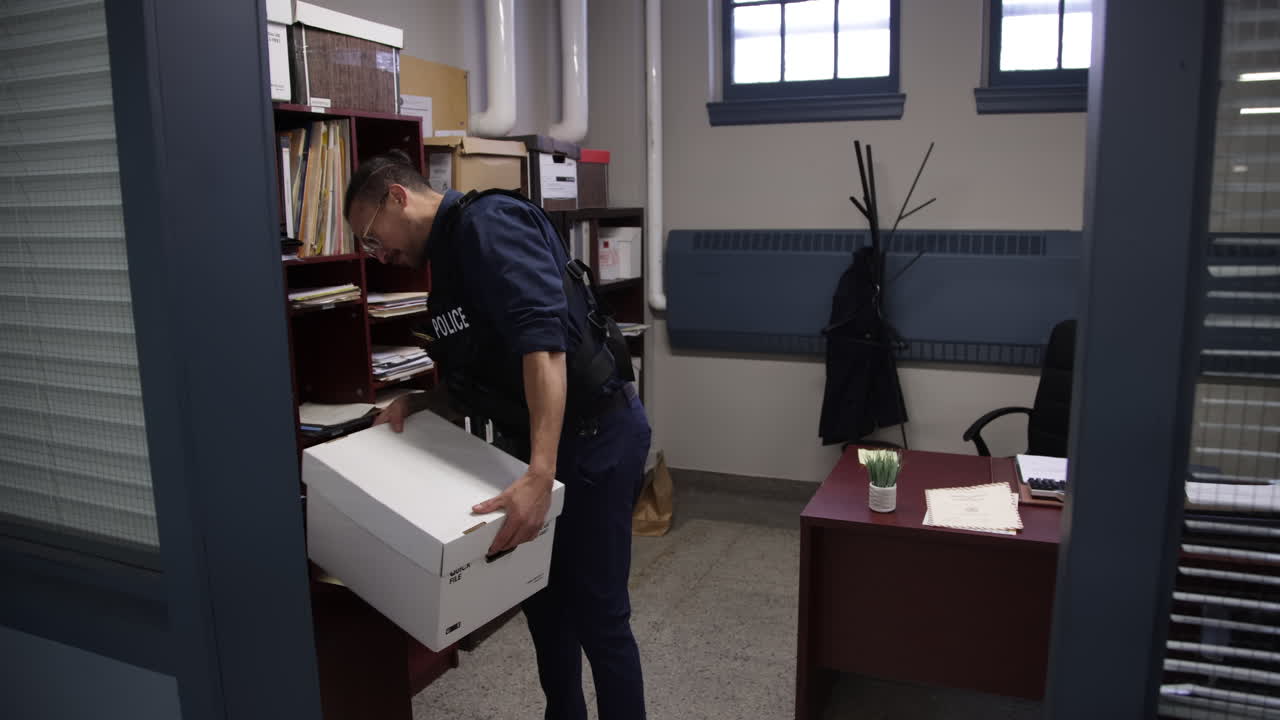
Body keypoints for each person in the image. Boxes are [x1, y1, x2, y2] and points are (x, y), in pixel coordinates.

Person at [344, 150, 651, 720]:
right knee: (545, 606)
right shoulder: (447, 265)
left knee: (599, 617)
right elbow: (480, 374)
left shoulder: (491, 226)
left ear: (397, 197)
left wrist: (540, 472)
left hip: (594, 437)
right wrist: (420, 400)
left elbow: (545, 350)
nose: (378, 254)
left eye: (370, 236)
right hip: (541, 443)